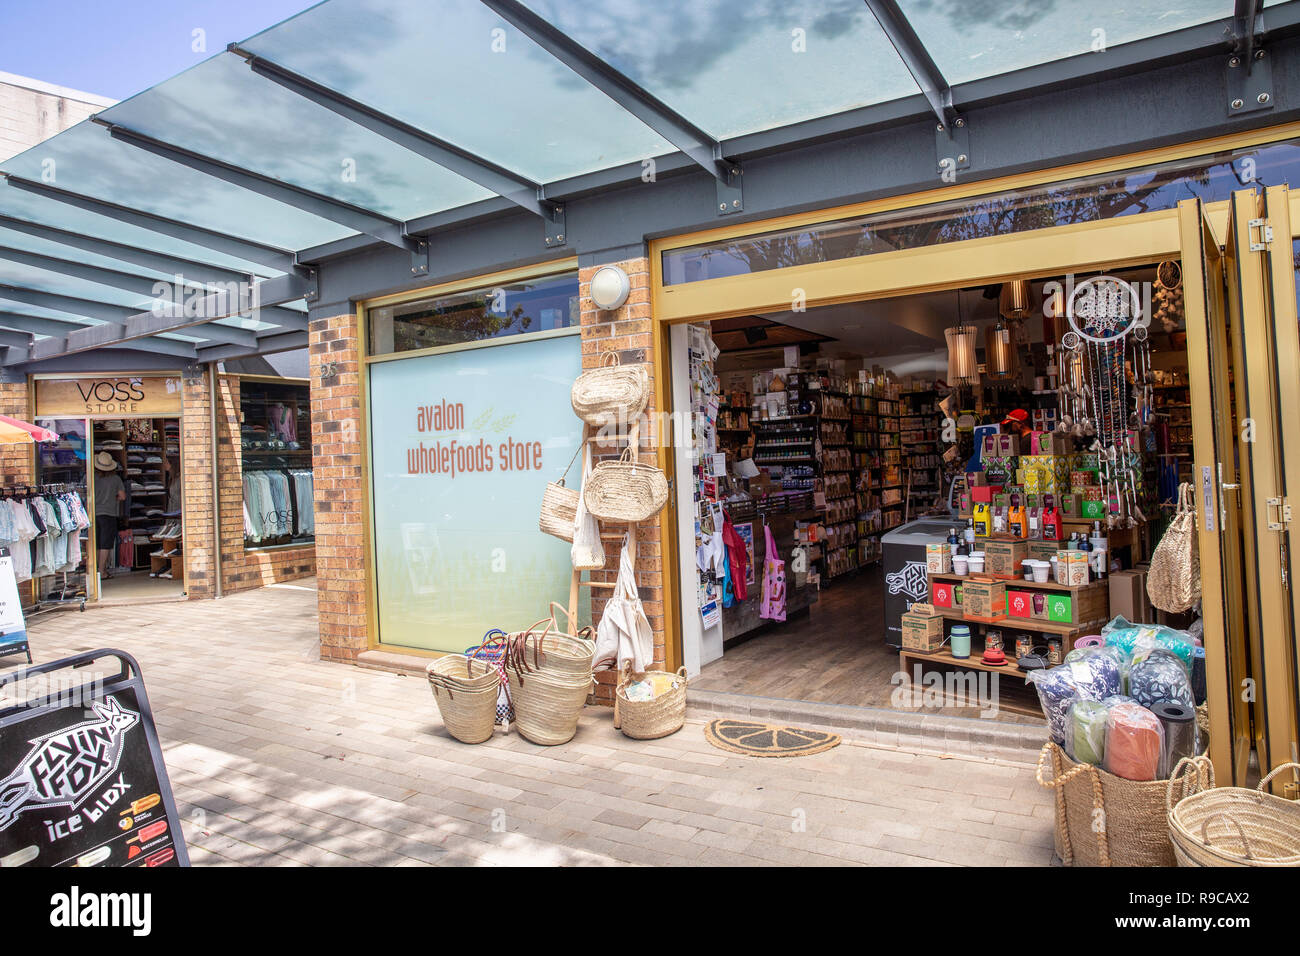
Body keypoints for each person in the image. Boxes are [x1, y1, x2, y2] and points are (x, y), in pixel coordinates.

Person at [93, 451, 126, 577]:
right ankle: (102, 571)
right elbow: (122, 496)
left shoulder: (91, 476)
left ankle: (94, 571)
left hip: (93, 513)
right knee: (105, 544)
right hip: (109, 513)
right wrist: (113, 498)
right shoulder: (116, 479)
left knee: (95, 542)